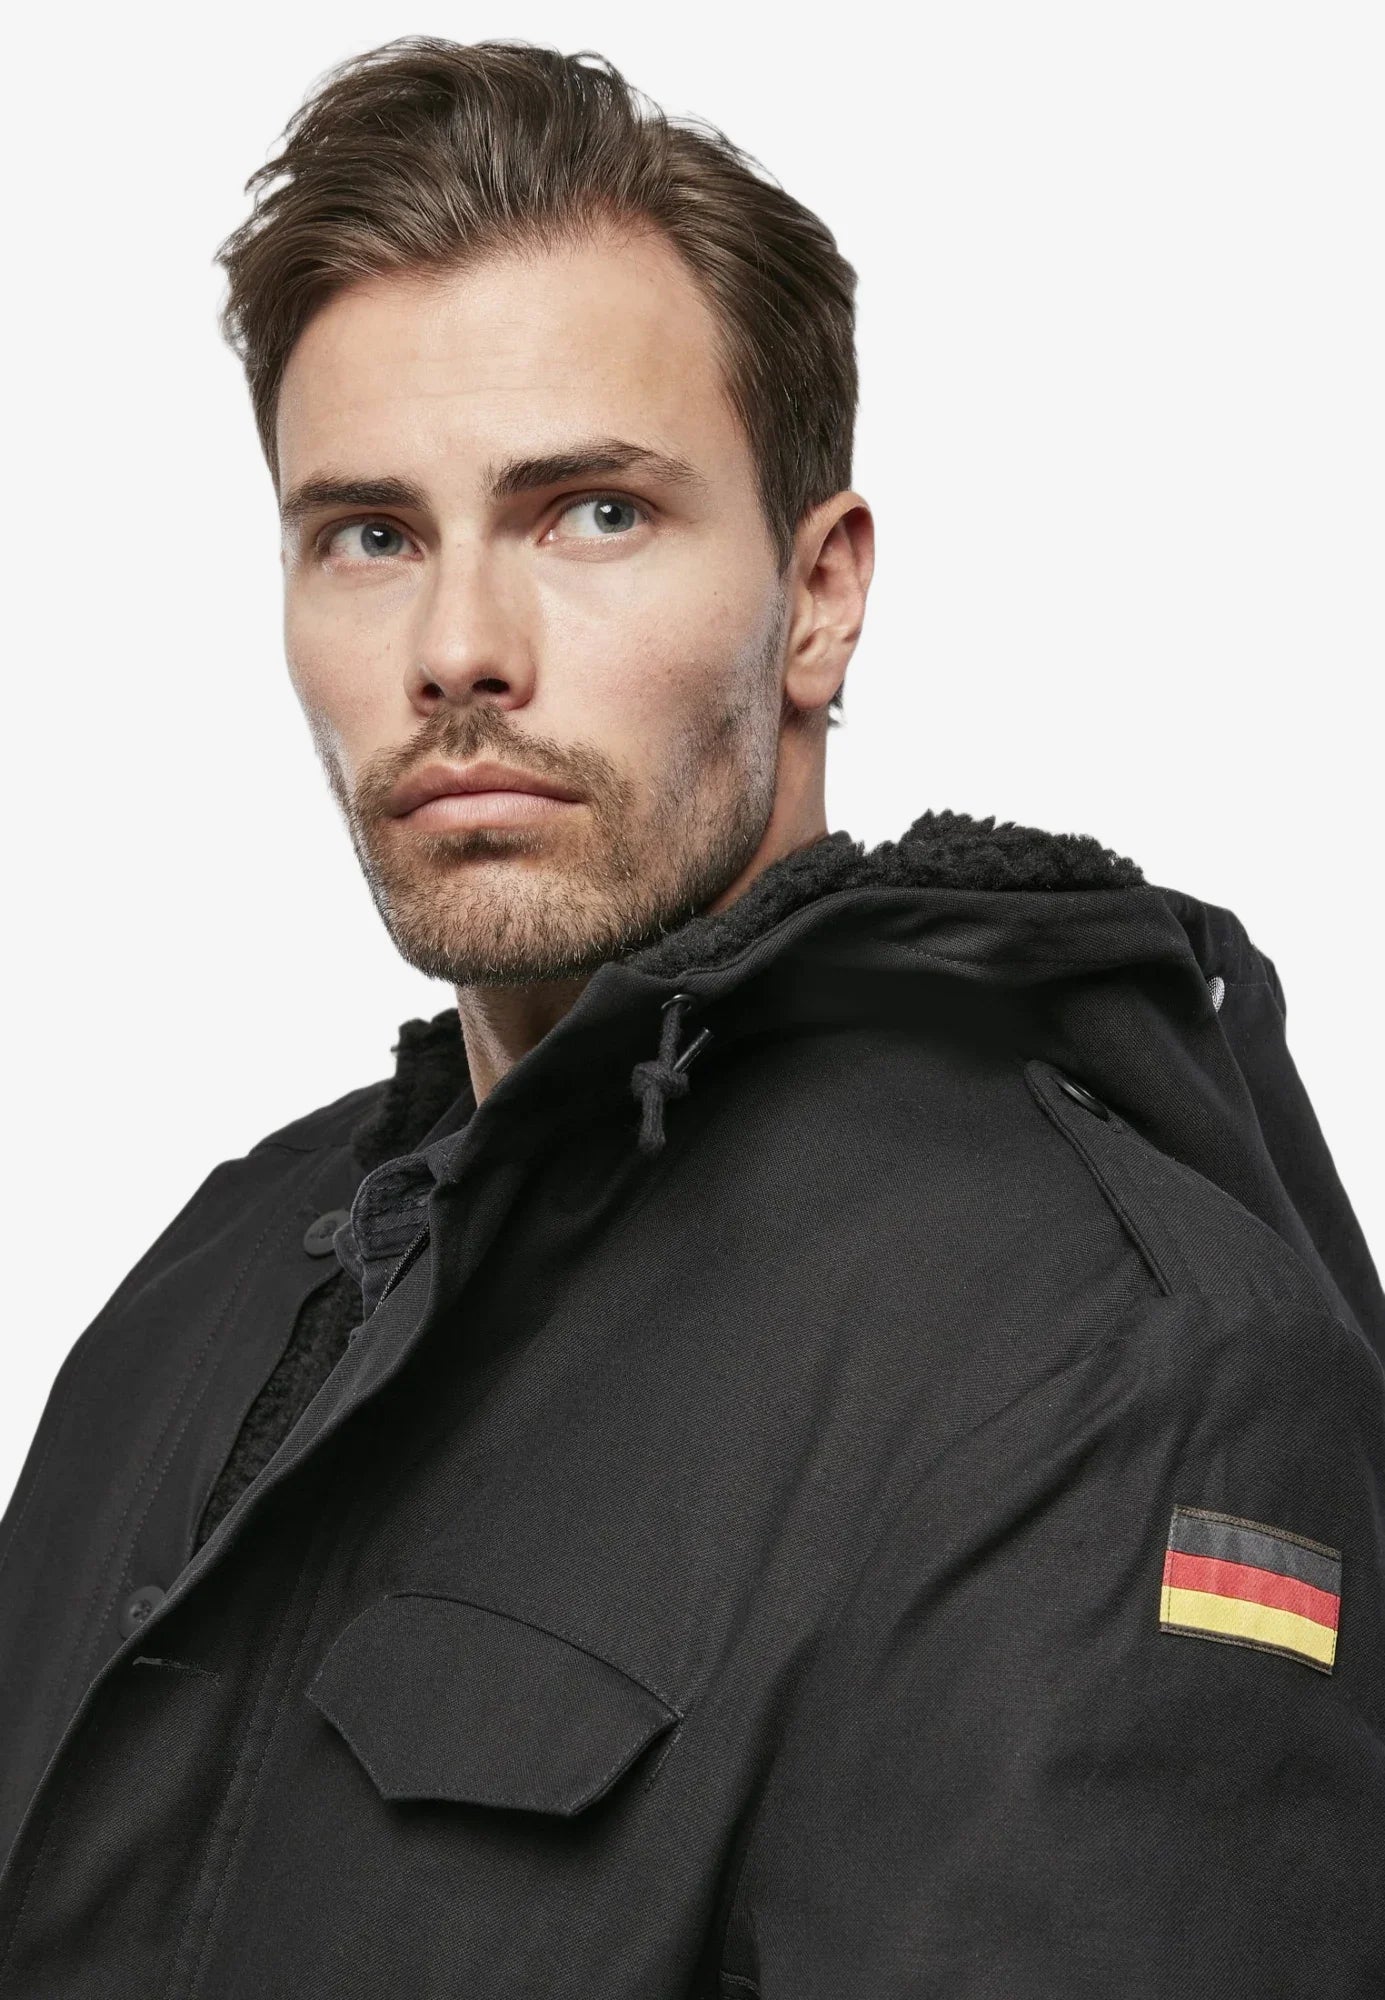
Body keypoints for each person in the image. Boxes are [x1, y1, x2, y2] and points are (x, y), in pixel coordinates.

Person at [0, 34, 1380, 1998]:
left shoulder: (1105, 1362)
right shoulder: (217, 1284)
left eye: (590, 514)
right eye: (369, 535)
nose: (458, 651)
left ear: (817, 597)